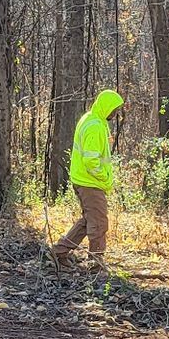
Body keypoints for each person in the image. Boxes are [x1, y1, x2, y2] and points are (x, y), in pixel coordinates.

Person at [51, 88, 124, 267]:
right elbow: (91, 160)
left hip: (83, 180)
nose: (115, 114)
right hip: (90, 182)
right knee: (99, 222)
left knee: (88, 220)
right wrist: (104, 176)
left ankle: (59, 252)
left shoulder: (91, 119)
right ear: (106, 107)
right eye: (114, 109)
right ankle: (96, 264)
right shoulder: (95, 126)